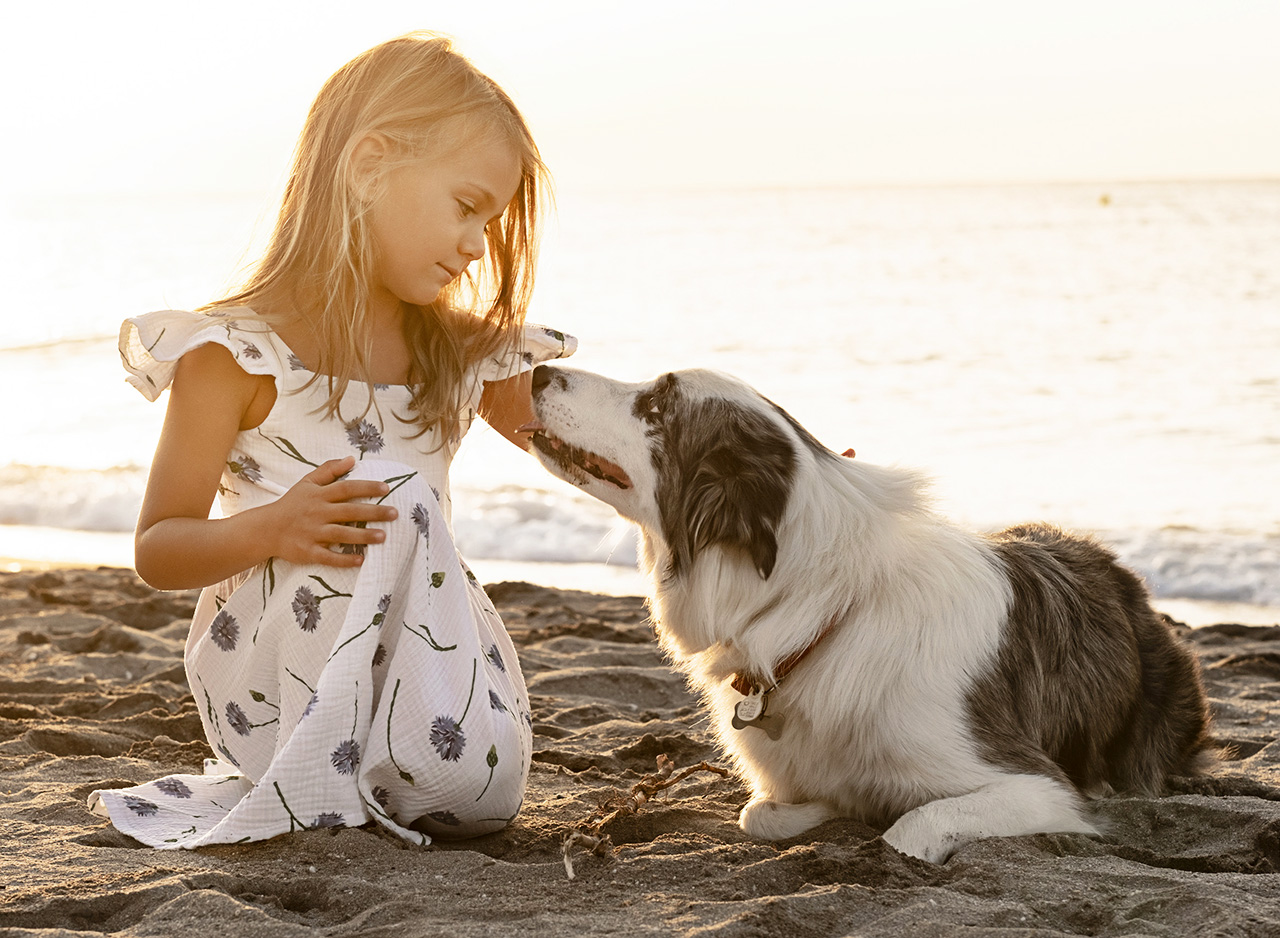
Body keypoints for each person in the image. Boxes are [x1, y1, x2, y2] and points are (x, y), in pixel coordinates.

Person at [89, 32, 575, 849]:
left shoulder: (456, 353)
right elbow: (158, 548)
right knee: (391, 489)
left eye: (490, 223)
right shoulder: (233, 355)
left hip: (430, 680)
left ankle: (403, 770)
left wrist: (790, 479)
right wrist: (272, 527)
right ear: (368, 164)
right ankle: (332, 770)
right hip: (277, 681)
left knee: (477, 788)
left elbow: (597, 451)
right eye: (465, 207)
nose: (475, 246)